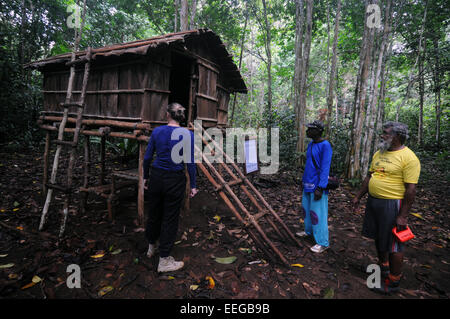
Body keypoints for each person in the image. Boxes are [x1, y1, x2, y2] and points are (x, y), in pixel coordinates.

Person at [352, 121, 420, 294]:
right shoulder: (379, 153)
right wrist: (358, 196)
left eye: (386, 133)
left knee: (394, 244)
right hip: (374, 202)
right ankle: (384, 267)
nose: (382, 136)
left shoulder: (409, 157)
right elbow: (369, 176)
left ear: (397, 136)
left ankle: (394, 282)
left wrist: (403, 216)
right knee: (377, 236)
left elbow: (411, 189)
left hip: (392, 204)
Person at [143, 102, 198, 272]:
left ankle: (151, 247)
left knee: (154, 213)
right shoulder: (187, 135)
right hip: (175, 180)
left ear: (167, 115)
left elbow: (147, 158)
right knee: (170, 218)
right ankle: (164, 259)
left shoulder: (157, 131)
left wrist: (145, 176)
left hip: (156, 177)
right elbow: (190, 163)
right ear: (182, 117)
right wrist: (193, 186)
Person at [297, 120, 333, 253]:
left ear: (318, 131)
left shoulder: (325, 145)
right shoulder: (311, 144)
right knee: (306, 210)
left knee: (317, 213)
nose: (307, 131)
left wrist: (321, 187)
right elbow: (309, 165)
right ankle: (309, 232)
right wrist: (303, 181)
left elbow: (325, 168)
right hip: (308, 183)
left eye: (310, 129)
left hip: (318, 186)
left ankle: (323, 242)